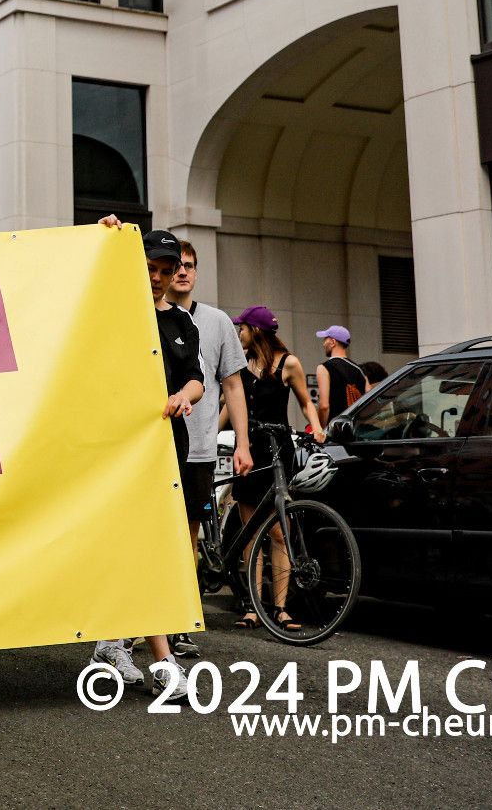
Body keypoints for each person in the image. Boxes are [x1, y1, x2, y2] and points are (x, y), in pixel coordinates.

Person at [88, 224, 203, 700]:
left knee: (149, 540)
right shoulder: (113, 311)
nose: (156, 277)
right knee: (142, 541)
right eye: (148, 268)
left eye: (164, 269)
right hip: (119, 443)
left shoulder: (182, 323)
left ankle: (113, 640)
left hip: (165, 443)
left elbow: (197, 378)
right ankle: (162, 657)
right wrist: (104, 236)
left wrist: (183, 397)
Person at [165, 240, 251, 657]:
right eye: (177, 265)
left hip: (198, 448)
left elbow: (233, 385)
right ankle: (137, 625)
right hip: (158, 447)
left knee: (188, 538)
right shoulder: (153, 315)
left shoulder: (217, 322)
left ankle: (180, 622)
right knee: (153, 535)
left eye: (190, 266)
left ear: (196, 272)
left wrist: (243, 444)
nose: (183, 272)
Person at [229, 307, 325, 632]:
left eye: (241, 327)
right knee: (249, 533)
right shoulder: (239, 364)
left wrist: (317, 427)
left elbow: (305, 402)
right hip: (249, 447)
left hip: (277, 449)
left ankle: (280, 608)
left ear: (255, 330)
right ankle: (253, 607)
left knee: (279, 533)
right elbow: (231, 407)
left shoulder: (289, 363)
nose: (238, 333)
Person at [314, 325, 368, 427]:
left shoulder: (324, 368)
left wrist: (320, 430)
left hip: (334, 432)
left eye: (325, 339)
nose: (323, 344)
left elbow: (324, 406)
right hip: (355, 431)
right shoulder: (360, 370)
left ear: (333, 342)